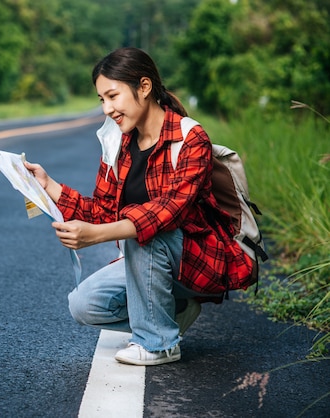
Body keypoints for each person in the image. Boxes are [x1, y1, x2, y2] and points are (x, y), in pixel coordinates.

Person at [24, 47, 254, 366]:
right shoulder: (117, 142)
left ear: (144, 88)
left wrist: (95, 236)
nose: (106, 108)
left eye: (113, 96)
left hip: (200, 258)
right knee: (84, 305)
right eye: (101, 100)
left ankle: (159, 343)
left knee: (145, 229)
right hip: (150, 258)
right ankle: (171, 312)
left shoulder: (190, 139)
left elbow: (166, 212)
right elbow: (104, 212)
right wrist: (49, 185)